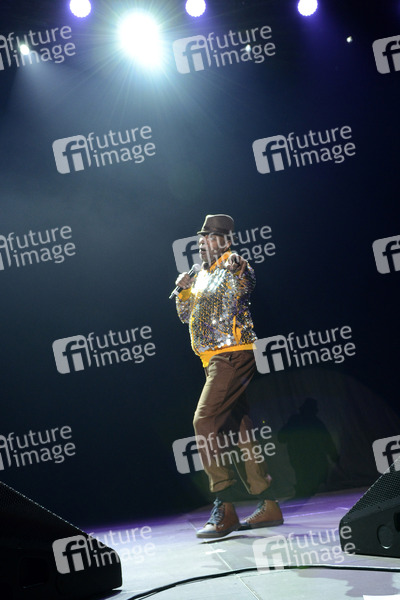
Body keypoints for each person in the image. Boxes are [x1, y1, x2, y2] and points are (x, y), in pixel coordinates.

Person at [174, 214, 283, 539]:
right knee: (242, 429)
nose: (202, 242)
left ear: (224, 241)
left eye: (209, 237)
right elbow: (186, 317)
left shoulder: (233, 265)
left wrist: (237, 265)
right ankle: (269, 504)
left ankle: (226, 502)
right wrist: (184, 291)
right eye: (201, 237)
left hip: (232, 354)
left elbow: (246, 280)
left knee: (204, 421)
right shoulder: (201, 274)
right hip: (212, 360)